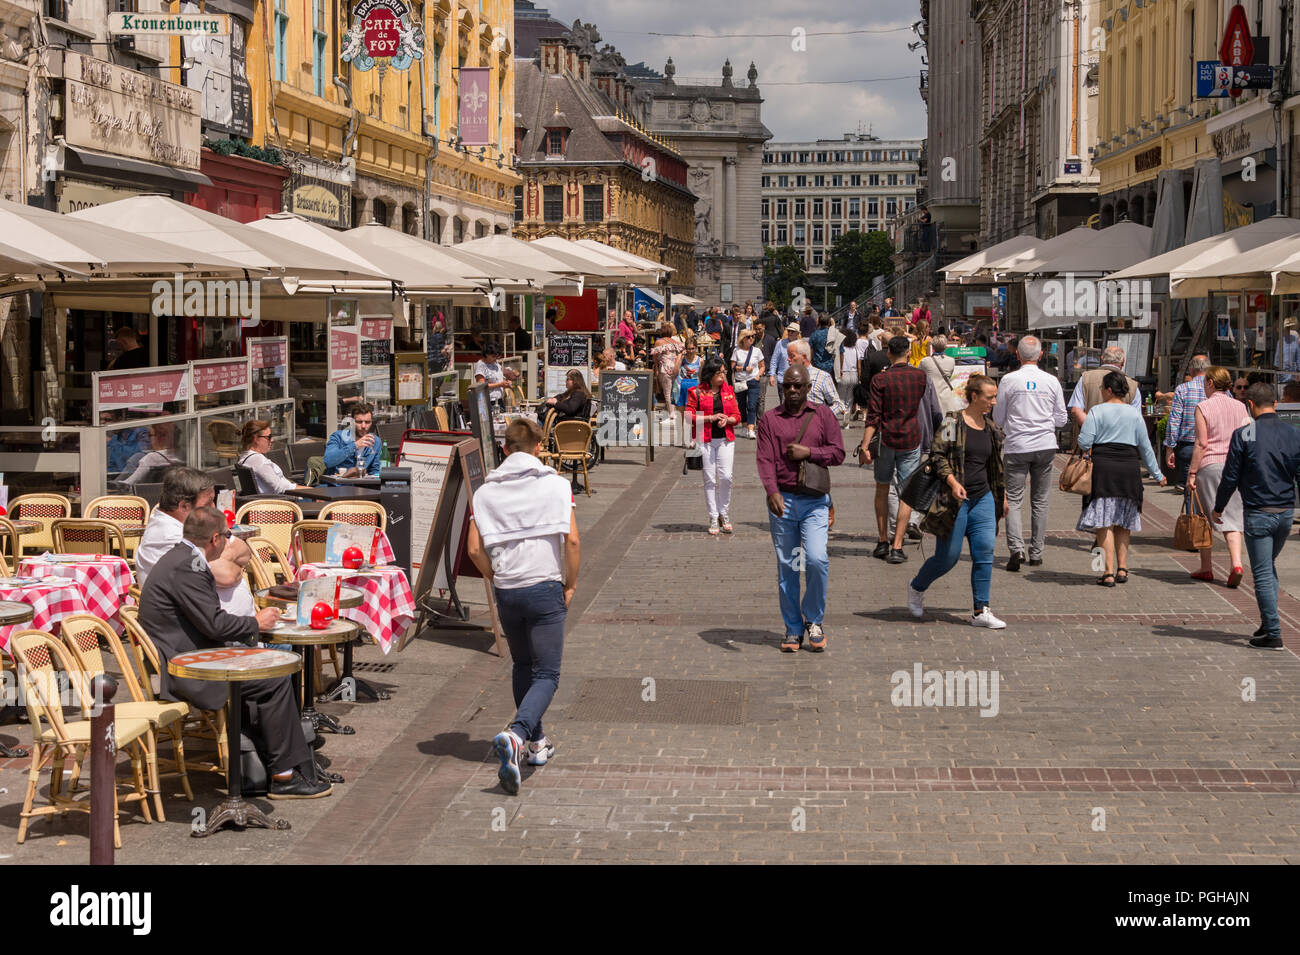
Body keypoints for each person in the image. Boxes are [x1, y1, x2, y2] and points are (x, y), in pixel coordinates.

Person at [139, 506, 328, 798]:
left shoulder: (183, 558)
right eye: (227, 535)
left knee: (270, 661)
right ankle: (284, 775)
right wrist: (255, 622)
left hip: (192, 657)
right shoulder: (189, 566)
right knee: (275, 678)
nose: (229, 541)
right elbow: (214, 624)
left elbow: (209, 621)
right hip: (190, 669)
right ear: (215, 539)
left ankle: (284, 760)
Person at [467, 419, 580, 792]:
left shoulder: (484, 493)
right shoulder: (556, 485)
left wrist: (496, 578)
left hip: (509, 589)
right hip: (544, 585)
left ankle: (536, 743)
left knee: (522, 665)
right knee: (547, 674)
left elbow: (472, 549)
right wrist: (572, 583)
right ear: (537, 446)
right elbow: (573, 542)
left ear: (504, 449)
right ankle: (517, 734)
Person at [906, 374, 1007, 629]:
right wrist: (952, 483)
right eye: (989, 397)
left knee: (984, 552)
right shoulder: (953, 421)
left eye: (994, 396)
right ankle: (917, 587)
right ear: (974, 397)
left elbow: (996, 467)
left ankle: (980, 610)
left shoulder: (992, 428)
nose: (993, 402)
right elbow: (938, 454)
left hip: (982, 498)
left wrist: (1002, 497)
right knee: (947, 558)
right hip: (953, 501)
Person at [757, 365, 846, 652]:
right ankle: (793, 628)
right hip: (783, 502)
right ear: (781, 388)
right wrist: (771, 490)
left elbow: (838, 452)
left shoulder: (822, 415)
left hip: (814, 502)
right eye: (788, 386)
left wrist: (810, 452)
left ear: (808, 388)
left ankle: (814, 618)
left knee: (817, 560)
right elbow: (765, 459)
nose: (793, 391)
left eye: (798, 386)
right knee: (789, 566)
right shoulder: (770, 420)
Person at [1213, 382, 1300, 649]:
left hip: (1258, 512)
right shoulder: (1292, 433)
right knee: (1267, 566)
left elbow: (1230, 476)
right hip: (1285, 512)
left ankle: (1273, 632)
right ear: (1275, 403)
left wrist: (1219, 507)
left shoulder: (1245, 433)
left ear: (1250, 405)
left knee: (1261, 571)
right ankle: (1267, 622)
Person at [1076, 371, 1166, 586]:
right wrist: (1158, 474)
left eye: (1101, 388)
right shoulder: (1134, 414)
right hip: (1129, 468)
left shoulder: (1097, 411)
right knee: (1124, 521)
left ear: (1108, 389)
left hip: (1103, 468)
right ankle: (1123, 568)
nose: (1100, 392)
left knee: (1104, 521)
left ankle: (1107, 572)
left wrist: (1086, 440)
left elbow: (1085, 442)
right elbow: (1145, 447)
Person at [136, 466, 257, 617]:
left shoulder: (195, 526)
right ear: (184, 506)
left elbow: (245, 551)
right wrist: (232, 560)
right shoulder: (167, 537)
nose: (214, 508)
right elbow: (228, 575)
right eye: (208, 503)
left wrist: (219, 557)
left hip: (234, 630)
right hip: (214, 636)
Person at [993, 335, 1068, 570]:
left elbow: (998, 417)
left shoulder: (1008, 380)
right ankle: (1037, 552)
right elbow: (1062, 418)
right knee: (1041, 500)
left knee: (1013, 500)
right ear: (1041, 355)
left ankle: (1016, 549)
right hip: (1045, 445)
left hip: (1016, 445)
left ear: (1017, 355)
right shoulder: (1052, 381)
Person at [859, 335, 929, 564]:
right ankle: (898, 546)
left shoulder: (880, 380)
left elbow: (873, 416)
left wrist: (864, 445)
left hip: (886, 439)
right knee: (906, 494)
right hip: (910, 438)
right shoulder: (920, 377)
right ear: (908, 353)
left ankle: (882, 540)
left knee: (882, 488)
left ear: (889, 353)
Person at [1186, 366, 1250, 586]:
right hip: (1236, 466)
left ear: (1211, 383)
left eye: (1205, 383)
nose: (1204, 387)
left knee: (1205, 516)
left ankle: (1206, 567)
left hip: (1211, 465)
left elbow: (1202, 443)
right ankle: (1236, 563)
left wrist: (1192, 472)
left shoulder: (1203, 407)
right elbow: (1248, 438)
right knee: (1232, 516)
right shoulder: (1240, 407)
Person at [685, 355, 741, 534]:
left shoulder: (728, 391)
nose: (722, 377)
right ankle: (713, 516)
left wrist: (728, 419)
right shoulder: (696, 392)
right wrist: (710, 418)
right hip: (705, 439)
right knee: (709, 479)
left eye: (723, 373)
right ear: (710, 375)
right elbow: (688, 416)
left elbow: (737, 416)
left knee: (726, 477)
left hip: (725, 439)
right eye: (719, 373)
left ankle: (724, 513)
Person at [1163, 355, 1210, 487]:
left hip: (1188, 446)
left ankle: (1191, 506)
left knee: (1190, 488)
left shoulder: (1183, 389)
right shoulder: (1218, 389)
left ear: (1191, 370)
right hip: (1211, 445)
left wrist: (1169, 447)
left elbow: (1175, 420)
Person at [237, 420, 310, 494]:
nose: (272, 440)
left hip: (285, 496)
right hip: (288, 500)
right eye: (269, 437)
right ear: (256, 439)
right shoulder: (258, 461)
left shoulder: (245, 456)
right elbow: (280, 488)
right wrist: (311, 491)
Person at [323, 401, 384, 478]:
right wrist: (355, 445)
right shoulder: (338, 436)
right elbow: (328, 461)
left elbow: (375, 470)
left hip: (362, 487)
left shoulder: (375, 441)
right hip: (338, 485)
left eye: (367, 422)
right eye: (359, 422)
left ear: (371, 423)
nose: (363, 426)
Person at [786, 340, 846, 416]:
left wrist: (821, 416)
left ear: (804, 357)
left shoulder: (822, 376)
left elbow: (838, 405)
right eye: (788, 356)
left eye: (792, 356)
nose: (788, 359)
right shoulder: (789, 378)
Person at [730, 328, 765, 439]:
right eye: (749, 337)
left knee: (752, 405)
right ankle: (744, 427)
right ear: (743, 339)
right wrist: (744, 368)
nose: (751, 339)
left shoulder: (757, 351)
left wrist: (758, 375)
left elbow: (763, 366)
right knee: (741, 405)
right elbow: (733, 367)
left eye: (752, 337)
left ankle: (751, 429)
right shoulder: (737, 351)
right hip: (740, 381)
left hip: (753, 381)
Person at [918, 333, 961, 414]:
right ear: (945, 346)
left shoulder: (925, 361)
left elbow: (919, 374)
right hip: (946, 398)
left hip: (930, 397)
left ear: (932, 347)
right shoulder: (951, 361)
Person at [650, 322, 684, 411]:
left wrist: (656, 366)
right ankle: (676, 412)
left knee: (667, 393)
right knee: (676, 391)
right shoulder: (676, 342)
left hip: (665, 369)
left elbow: (654, 358)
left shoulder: (659, 342)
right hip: (676, 368)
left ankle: (672, 416)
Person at [473, 342, 511, 408]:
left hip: (499, 400)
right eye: (493, 356)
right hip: (488, 401)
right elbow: (481, 385)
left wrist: (506, 383)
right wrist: (500, 384)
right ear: (486, 354)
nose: (495, 358)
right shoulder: (481, 365)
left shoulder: (495, 363)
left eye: (497, 356)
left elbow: (499, 378)